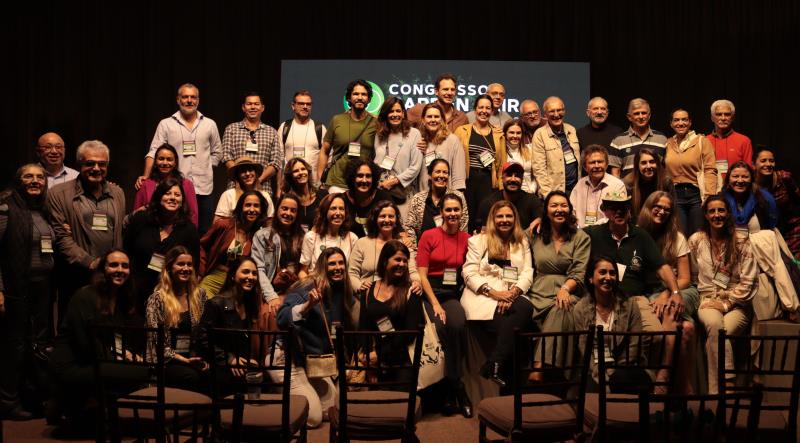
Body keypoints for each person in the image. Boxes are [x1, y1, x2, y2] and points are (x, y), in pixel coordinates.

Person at [48, 249, 140, 428]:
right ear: (103, 269)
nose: (120, 269)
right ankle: (65, 402)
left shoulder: (121, 299)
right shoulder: (85, 296)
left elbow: (117, 336)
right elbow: (85, 343)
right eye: (113, 265)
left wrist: (127, 353)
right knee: (137, 374)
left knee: (137, 369)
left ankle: (90, 407)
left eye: (125, 266)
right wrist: (118, 358)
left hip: (96, 359)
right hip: (72, 365)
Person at [276, 247, 357, 427]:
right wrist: (307, 305)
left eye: (341, 263)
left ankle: (303, 394)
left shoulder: (342, 291)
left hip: (312, 361)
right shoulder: (308, 288)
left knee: (334, 407)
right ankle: (280, 393)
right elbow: (281, 319)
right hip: (288, 357)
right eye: (332, 264)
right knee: (313, 418)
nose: (337, 267)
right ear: (323, 267)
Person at [47, 140, 126, 325]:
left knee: (106, 329)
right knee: (74, 328)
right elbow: (61, 236)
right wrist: (91, 263)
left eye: (102, 164)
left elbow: (120, 229)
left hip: (110, 276)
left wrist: (111, 266)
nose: (96, 168)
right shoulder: (58, 194)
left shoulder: (117, 192)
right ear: (79, 165)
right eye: (89, 163)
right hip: (75, 275)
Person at [583, 191, 682, 334]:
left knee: (656, 335)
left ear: (629, 210)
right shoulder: (594, 233)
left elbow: (662, 267)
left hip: (635, 298)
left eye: (623, 208)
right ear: (605, 211)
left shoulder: (640, 235)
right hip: (602, 299)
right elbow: (568, 231)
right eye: (613, 208)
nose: (619, 212)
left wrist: (675, 292)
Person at [0, 164, 56, 420]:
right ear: (18, 181)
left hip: (42, 288)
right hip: (15, 288)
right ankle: (7, 402)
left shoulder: (43, 211)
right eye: (28, 176)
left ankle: (32, 398)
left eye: (39, 177)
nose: (35, 181)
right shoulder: (6, 208)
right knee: (15, 345)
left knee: (37, 345)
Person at [461, 201, 534, 387]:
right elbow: (468, 273)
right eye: (500, 216)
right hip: (482, 297)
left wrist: (512, 293)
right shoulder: (477, 241)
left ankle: (494, 364)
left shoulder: (522, 241)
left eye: (509, 216)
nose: (504, 220)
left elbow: (527, 272)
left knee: (525, 306)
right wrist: (494, 293)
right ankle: (509, 389)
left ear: (515, 219)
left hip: (511, 292)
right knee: (514, 333)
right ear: (493, 219)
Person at [688, 196, 756, 394]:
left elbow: (750, 282)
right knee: (716, 327)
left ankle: (716, 393)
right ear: (706, 215)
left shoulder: (742, 241)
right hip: (708, 299)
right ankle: (728, 386)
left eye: (721, 210)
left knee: (718, 335)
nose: (717, 215)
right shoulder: (696, 240)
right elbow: (693, 275)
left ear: (728, 214)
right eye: (712, 211)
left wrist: (727, 304)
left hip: (738, 302)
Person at [637, 191, 700, 393]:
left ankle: (663, 372)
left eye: (667, 209)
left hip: (681, 290)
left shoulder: (677, 237)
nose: (662, 212)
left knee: (670, 307)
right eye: (658, 207)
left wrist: (667, 293)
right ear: (648, 207)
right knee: (687, 328)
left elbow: (684, 279)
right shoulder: (637, 234)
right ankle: (686, 386)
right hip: (650, 292)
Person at [415, 193, 472, 417]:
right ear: (441, 213)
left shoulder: (467, 239)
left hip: (451, 294)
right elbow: (422, 274)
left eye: (456, 210)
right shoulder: (429, 236)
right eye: (448, 210)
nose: (452, 214)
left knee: (458, 324)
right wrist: (435, 304)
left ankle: (454, 384)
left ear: (461, 212)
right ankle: (451, 389)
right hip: (430, 293)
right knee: (440, 327)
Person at [138, 83, 222, 234]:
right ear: (178, 100)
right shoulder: (166, 124)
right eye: (185, 97)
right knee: (177, 229)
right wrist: (146, 176)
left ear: (198, 100)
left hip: (204, 188)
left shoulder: (210, 124)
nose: (189, 100)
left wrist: (206, 166)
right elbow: (153, 152)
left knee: (203, 232)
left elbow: (217, 152)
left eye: (193, 97)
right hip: (177, 188)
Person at [124, 177, 200, 313]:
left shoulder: (189, 230)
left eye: (177, 195)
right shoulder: (141, 219)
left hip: (171, 295)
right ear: (159, 196)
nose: (172, 198)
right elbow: (126, 251)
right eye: (167, 193)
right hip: (136, 291)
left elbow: (194, 265)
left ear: (182, 200)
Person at [197, 257, 270, 393]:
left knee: (265, 377)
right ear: (232, 275)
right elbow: (202, 339)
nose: (251, 277)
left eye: (254, 273)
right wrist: (230, 359)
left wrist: (247, 360)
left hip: (238, 363)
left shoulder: (248, 303)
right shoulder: (216, 303)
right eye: (245, 272)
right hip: (217, 365)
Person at [573, 255, 645, 389]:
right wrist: (601, 376)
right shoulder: (580, 309)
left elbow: (634, 346)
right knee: (588, 389)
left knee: (622, 380)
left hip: (625, 368)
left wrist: (614, 374)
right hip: (593, 370)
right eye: (602, 272)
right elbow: (584, 349)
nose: (608, 277)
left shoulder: (629, 306)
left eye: (612, 273)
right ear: (590, 278)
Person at [359, 240, 423, 384]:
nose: (402, 264)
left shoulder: (411, 291)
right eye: (397, 259)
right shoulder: (368, 289)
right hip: (374, 363)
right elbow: (364, 327)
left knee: (399, 404)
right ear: (384, 261)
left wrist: (380, 356)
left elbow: (409, 334)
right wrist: (369, 362)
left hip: (401, 363)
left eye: (405, 261)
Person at [144, 246, 209, 390]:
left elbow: (204, 332)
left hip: (192, 356)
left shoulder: (199, 296)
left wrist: (203, 358)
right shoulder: (157, 299)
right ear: (169, 268)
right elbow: (156, 342)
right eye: (180, 264)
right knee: (191, 376)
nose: (186, 268)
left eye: (189, 264)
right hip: (166, 361)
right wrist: (185, 361)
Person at [529, 191, 590, 341]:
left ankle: (541, 364)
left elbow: (579, 271)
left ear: (570, 209)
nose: (559, 209)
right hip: (538, 292)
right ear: (546, 210)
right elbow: (512, 237)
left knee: (561, 307)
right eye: (554, 205)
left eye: (564, 205)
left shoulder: (580, 237)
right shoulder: (535, 234)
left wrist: (565, 289)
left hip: (569, 290)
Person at [199, 191, 270, 297]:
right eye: (248, 205)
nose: (251, 210)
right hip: (215, 277)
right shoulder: (224, 225)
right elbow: (201, 246)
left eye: (256, 206)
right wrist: (200, 272)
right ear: (241, 207)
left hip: (238, 283)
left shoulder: (258, 236)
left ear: (261, 210)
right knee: (200, 303)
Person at [454, 94, 504, 233]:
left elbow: (501, 165)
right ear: (475, 109)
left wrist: (500, 189)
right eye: (481, 107)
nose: (484, 111)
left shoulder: (498, 134)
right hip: (467, 182)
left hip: (488, 183)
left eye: (488, 108)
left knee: (485, 222)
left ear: (492, 111)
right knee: (466, 219)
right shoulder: (462, 131)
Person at [317, 79, 378, 193]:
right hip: (336, 182)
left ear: (369, 99)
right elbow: (325, 150)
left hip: (362, 183)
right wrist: (320, 179)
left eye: (364, 94)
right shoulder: (337, 120)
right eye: (356, 94)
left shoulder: (375, 123)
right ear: (349, 98)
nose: (360, 97)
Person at [664, 109, 718, 235]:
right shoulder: (667, 143)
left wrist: (709, 196)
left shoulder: (701, 141)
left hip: (697, 196)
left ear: (690, 123)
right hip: (675, 195)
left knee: (699, 235)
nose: (680, 123)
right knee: (680, 235)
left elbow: (710, 169)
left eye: (684, 119)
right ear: (671, 123)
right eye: (676, 120)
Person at [252, 193, 306, 316]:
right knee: (270, 314)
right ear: (277, 210)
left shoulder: (304, 237)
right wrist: (271, 296)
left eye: (293, 210)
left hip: (296, 289)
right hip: (271, 289)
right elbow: (259, 269)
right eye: (284, 208)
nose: (288, 213)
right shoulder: (262, 236)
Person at [348, 201, 418, 294]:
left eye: (391, 216)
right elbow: (352, 273)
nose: (387, 220)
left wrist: (417, 282)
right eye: (382, 216)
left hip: (397, 296)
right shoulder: (362, 243)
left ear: (396, 220)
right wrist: (359, 286)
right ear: (375, 219)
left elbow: (412, 271)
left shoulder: (404, 244)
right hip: (366, 295)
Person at [220, 92, 282, 196]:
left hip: (263, 189)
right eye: (249, 104)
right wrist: (242, 179)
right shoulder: (231, 129)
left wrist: (258, 181)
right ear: (243, 107)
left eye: (256, 104)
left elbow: (275, 162)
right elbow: (226, 157)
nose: (253, 107)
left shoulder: (272, 132)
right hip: (236, 188)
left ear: (262, 108)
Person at [373, 96, 423, 208]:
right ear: (386, 114)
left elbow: (415, 167)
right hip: (381, 189)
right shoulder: (380, 134)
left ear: (404, 113)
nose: (395, 114)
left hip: (402, 192)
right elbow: (376, 161)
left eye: (398, 111)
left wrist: (393, 181)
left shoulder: (414, 134)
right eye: (391, 111)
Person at [405, 159, 469, 246]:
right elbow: (410, 226)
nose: (441, 175)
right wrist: (414, 248)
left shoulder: (458, 197)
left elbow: (463, 225)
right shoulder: (418, 198)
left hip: (451, 248)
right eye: (438, 172)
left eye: (445, 172)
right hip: (423, 249)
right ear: (430, 175)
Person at [133, 143, 199, 226]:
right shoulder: (145, 185)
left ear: (175, 162)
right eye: (161, 158)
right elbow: (136, 214)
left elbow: (193, 214)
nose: (165, 162)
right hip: (150, 231)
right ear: (155, 162)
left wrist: (190, 236)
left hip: (179, 232)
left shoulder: (186, 184)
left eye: (169, 159)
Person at [754, 146, 800, 258]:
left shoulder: (784, 178)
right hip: (769, 233)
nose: (768, 164)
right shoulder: (751, 185)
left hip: (792, 230)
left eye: (771, 161)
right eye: (763, 160)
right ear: (754, 164)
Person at [299, 193, 359, 277]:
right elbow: (303, 272)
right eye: (333, 208)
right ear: (325, 211)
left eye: (341, 209)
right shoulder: (311, 237)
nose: (338, 213)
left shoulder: (352, 238)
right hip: (316, 286)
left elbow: (353, 273)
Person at [532, 96, 581, 198]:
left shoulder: (571, 129)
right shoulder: (540, 134)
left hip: (575, 191)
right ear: (545, 114)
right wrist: (549, 196)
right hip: (554, 192)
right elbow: (539, 169)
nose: (556, 114)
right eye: (551, 111)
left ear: (564, 111)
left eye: (559, 110)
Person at [277, 90, 326, 187]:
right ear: (293, 106)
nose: (305, 107)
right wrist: (279, 186)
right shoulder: (285, 127)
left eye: (308, 104)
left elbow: (327, 158)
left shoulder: (320, 128)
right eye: (301, 104)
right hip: (289, 185)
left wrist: (321, 182)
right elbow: (279, 159)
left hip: (313, 185)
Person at [569, 144, 626, 228]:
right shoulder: (579, 184)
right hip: (581, 234)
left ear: (606, 164)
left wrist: (591, 230)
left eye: (600, 162)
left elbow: (617, 215)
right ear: (585, 167)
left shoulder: (617, 185)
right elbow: (571, 212)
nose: (596, 166)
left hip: (606, 234)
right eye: (592, 162)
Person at [414, 102, 467, 193]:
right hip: (423, 196)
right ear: (423, 120)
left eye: (436, 117)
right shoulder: (418, 141)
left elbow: (459, 176)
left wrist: (456, 198)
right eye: (429, 117)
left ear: (442, 120)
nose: (433, 120)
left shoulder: (453, 140)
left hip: (447, 198)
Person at [476, 162, 543, 232]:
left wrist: (540, 220)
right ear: (502, 178)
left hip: (524, 241)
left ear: (522, 179)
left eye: (517, 176)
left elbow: (541, 220)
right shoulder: (488, 203)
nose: (513, 179)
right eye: (509, 175)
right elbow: (482, 233)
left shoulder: (532, 201)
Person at [609, 98, 668, 178]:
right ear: (629, 117)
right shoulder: (618, 141)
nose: (641, 116)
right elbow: (615, 174)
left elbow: (666, 170)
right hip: (628, 190)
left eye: (644, 113)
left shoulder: (662, 139)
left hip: (656, 190)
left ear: (649, 115)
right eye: (636, 113)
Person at [213, 156, 275, 222]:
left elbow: (269, 222)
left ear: (256, 173)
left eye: (250, 170)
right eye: (243, 171)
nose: (247, 173)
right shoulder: (228, 195)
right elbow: (217, 223)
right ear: (237, 175)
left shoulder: (265, 195)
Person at [723, 161, 778, 233]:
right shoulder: (721, 200)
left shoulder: (764, 199)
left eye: (745, 177)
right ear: (728, 179)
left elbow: (771, 225)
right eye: (735, 176)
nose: (740, 180)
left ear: (752, 179)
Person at [342, 159, 392, 238]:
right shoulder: (342, 200)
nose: (364, 180)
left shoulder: (383, 198)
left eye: (368, 176)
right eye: (360, 176)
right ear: (352, 178)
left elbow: (396, 226)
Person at [707, 99, 753, 180]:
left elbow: (748, 171)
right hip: (710, 189)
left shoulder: (744, 141)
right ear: (712, 118)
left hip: (736, 188)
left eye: (727, 114)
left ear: (733, 117)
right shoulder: (704, 141)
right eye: (719, 114)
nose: (723, 118)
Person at [623, 147, 674, 217]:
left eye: (652, 162)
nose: (648, 166)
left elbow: (672, 209)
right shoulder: (628, 183)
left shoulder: (666, 181)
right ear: (637, 166)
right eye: (644, 163)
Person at [281, 157, 328, 231]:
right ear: (290, 176)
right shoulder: (287, 200)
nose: (301, 173)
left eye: (303, 169)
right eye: (296, 171)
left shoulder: (323, 195)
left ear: (308, 171)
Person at [499, 119, 537, 194]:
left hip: (528, 193)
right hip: (506, 194)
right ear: (505, 133)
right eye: (511, 133)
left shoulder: (530, 149)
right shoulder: (499, 151)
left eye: (518, 133)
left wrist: (532, 190)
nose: (515, 136)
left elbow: (536, 174)